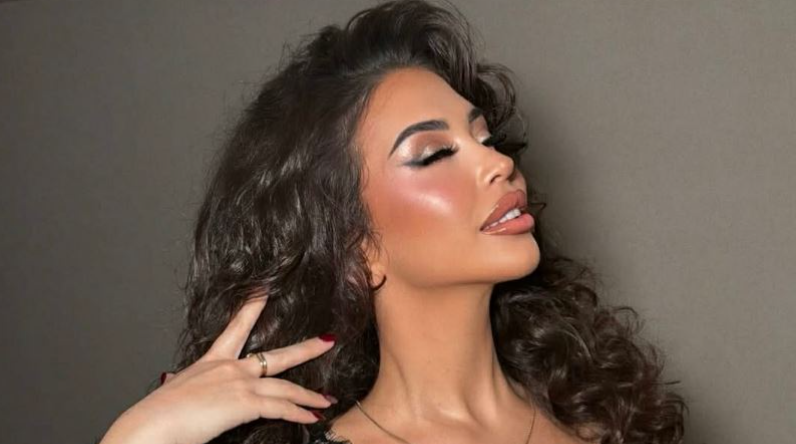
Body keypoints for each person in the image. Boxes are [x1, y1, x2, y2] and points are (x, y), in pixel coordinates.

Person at [98, 1, 686, 443]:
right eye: (433, 154)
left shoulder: (607, 424)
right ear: (357, 247)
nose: (499, 163)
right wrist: (142, 434)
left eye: (484, 138)